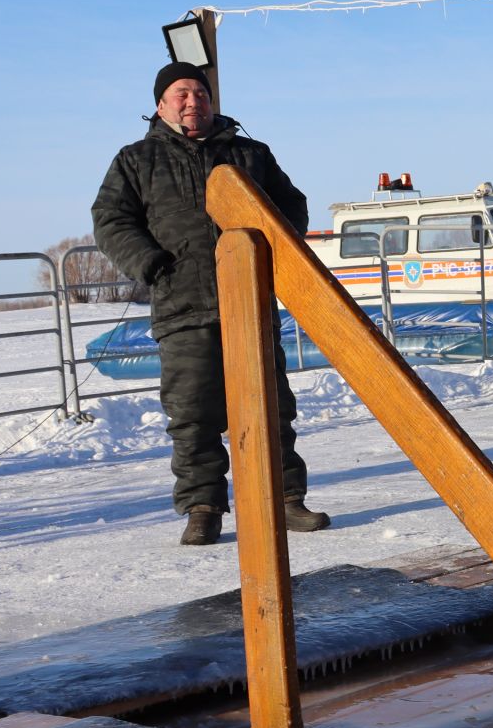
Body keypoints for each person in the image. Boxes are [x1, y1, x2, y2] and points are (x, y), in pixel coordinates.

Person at [91, 62, 330, 546]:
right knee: (192, 414)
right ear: (161, 105)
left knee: (271, 406)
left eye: (199, 93)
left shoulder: (249, 153)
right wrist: (151, 263)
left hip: (249, 303)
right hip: (182, 307)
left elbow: (293, 207)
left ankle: (285, 500)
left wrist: (272, 254)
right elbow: (110, 220)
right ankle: (203, 508)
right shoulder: (136, 161)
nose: (191, 101)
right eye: (180, 94)